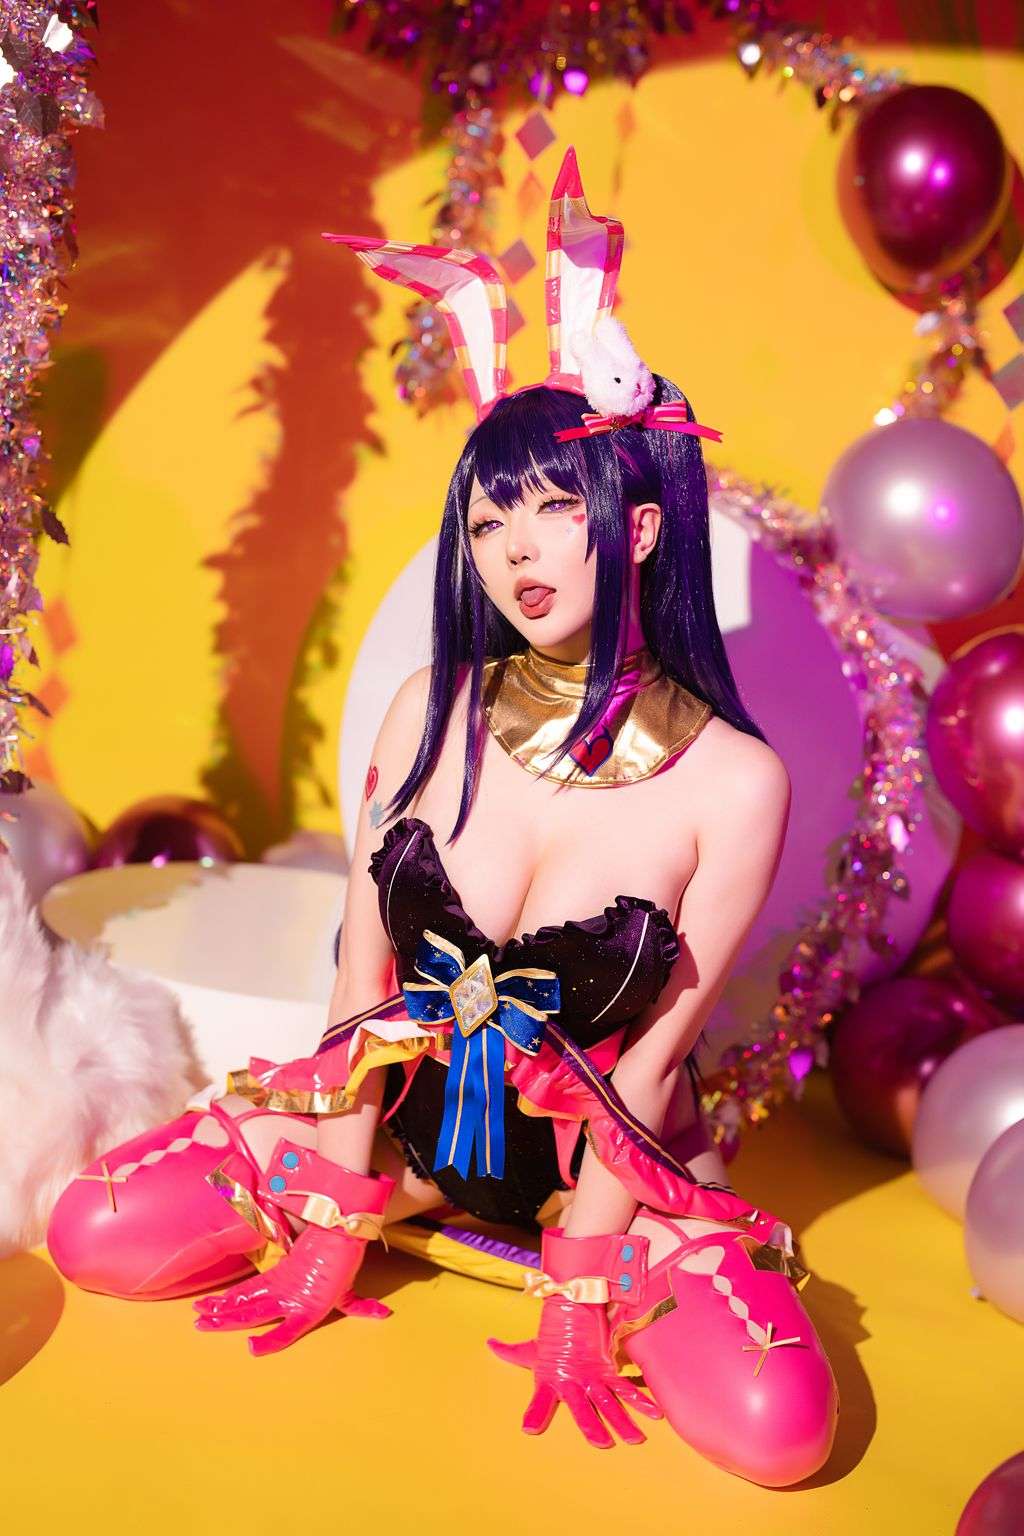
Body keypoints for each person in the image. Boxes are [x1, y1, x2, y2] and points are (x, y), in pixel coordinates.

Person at [47, 148, 838, 1486]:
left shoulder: (735, 785)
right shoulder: (431, 709)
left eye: (551, 508)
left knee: (782, 1430)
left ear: (641, 528)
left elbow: (650, 1064)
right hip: (395, 1144)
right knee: (92, 1227)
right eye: (485, 522)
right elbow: (362, 977)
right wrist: (335, 1210)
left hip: (604, 1187)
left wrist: (581, 1282)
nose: (513, 547)